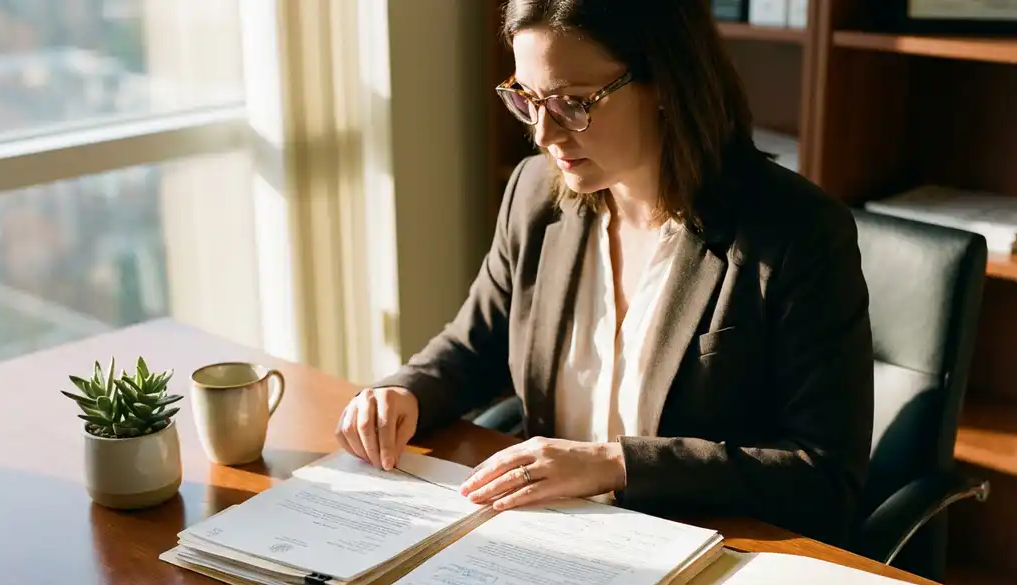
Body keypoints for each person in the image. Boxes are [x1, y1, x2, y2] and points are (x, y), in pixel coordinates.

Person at [335, 0, 874, 548]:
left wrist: (616, 464)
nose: (544, 134)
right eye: (527, 99)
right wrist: (402, 392)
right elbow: (473, 346)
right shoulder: (534, 194)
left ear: (666, 80)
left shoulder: (797, 232)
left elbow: (824, 480)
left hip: (702, 550)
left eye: (573, 102)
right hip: (549, 539)